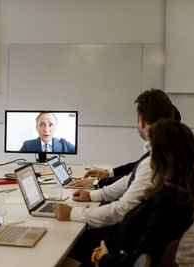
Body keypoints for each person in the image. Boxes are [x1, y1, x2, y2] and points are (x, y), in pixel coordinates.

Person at [52, 89, 174, 265]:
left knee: (67, 241)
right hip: (140, 235)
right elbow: (130, 180)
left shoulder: (154, 162)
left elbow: (121, 210)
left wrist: (73, 212)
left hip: (131, 245)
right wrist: (93, 194)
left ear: (141, 121)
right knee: (80, 234)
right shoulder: (166, 154)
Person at [91, 120, 194, 267]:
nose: (148, 159)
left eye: (152, 151)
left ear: (163, 156)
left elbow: (140, 261)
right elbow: (136, 233)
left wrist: (104, 259)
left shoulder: (167, 204)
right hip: (120, 251)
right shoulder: (177, 194)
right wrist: (107, 245)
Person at [71, 104, 181, 189]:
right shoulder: (166, 148)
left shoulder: (166, 156)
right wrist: (108, 174)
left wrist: (97, 183)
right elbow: (135, 166)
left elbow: (131, 180)